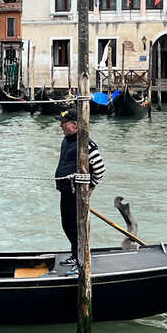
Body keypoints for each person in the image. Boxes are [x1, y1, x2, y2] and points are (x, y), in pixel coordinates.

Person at [54, 108, 105, 265]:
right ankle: (75, 254)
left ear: (75, 125)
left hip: (78, 193)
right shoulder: (66, 141)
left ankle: (82, 260)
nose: (61, 126)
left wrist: (91, 186)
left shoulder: (86, 144)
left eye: (64, 123)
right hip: (66, 190)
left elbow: (100, 168)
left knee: (78, 227)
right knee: (67, 225)